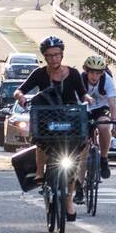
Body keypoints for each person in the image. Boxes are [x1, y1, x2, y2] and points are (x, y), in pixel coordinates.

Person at [15, 36, 88, 220]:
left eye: (56, 55)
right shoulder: (39, 73)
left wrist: (88, 99)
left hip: (69, 121)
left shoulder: (73, 73)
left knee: (73, 162)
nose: (53, 58)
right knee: (40, 139)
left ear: (62, 55)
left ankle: (68, 201)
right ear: (44, 57)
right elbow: (20, 90)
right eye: (49, 55)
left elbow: (83, 93)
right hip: (47, 121)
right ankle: (40, 172)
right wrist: (20, 97)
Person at [79, 54, 116, 196]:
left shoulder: (107, 81)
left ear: (102, 73)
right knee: (83, 146)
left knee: (103, 125)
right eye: (91, 72)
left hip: (100, 109)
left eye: (98, 73)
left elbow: (113, 104)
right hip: (83, 110)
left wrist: (115, 123)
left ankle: (104, 158)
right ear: (85, 70)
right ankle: (78, 185)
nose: (94, 76)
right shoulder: (79, 79)